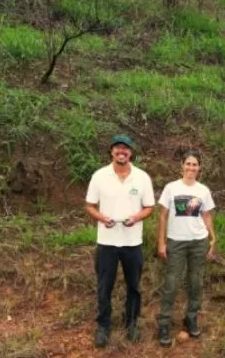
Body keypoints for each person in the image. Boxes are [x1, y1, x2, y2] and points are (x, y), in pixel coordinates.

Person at [85, 134, 155, 348]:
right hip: (107, 242)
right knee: (104, 286)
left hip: (132, 242)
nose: (121, 152)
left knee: (133, 286)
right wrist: (101, 217)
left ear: (130, 152)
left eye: (125, 149)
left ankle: (131, 323)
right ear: (111, 151)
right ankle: (103, 326)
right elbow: (89, 205)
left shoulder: (142, 177)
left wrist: (135, 217)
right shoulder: (100, 176)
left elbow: (149, 207)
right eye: (118, 148)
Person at [156, 150, 217, 347]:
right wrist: (161, 242)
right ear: (182, 165)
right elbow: (163, 216)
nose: (191, 168)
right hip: (176, 242)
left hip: (198, 241)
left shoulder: (203, 190)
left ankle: (190, 318)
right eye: (188, 164)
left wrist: (212, 236)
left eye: (195, 165)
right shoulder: (171, 188)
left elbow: (206, 215)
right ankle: (164, 323)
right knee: (172, 283)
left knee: (196, 283)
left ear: (199, 168)